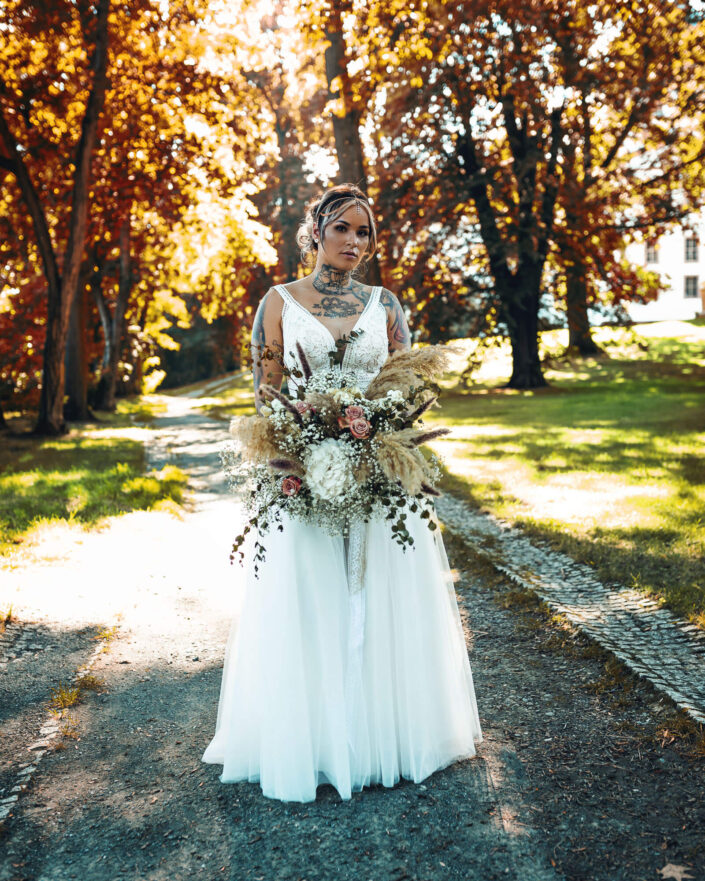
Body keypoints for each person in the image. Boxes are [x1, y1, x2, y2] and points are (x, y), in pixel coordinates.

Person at [202, 183, 483, 802]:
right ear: (316, 231)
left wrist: (379, 444)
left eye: (365, 233)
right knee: (313, 603)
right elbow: (265, 395)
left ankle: (384, 734)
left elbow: (408, 396)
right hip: (305, 474)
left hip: (380, 481)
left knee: (382, 601)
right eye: (343, 229)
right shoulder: (277, 302)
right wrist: (300, 451)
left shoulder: (386, 306)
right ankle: (318, 741)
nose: (355, 242)